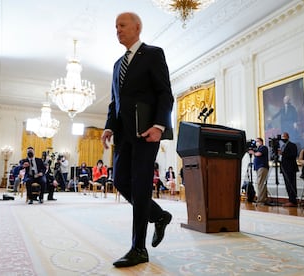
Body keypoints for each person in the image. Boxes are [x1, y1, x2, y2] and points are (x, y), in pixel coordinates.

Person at [101, 12, 174, 268]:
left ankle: (138, 249)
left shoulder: (153, 54)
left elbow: (165, 93)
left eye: (121, 25)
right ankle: (160, 215)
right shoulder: (116, 65)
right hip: (123, 135)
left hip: (146, 132)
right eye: (115, 26)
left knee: (141, 186)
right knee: (120, 180)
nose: (117, 30)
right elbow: (115, 103)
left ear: (137, 27)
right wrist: (109, 127)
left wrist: (158, 126)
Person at [278, 132, 299, 207]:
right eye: (282, 136)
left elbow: (293, 155)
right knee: (287, 185)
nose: (283, 138)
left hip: (291, 168)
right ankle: (290, 200)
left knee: (291, 184)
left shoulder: (292, 145)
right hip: (284, 168)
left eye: (284, 136)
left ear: (288, 137)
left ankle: (293, 201)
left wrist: (283, 153)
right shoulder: (282, 146)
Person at [248, 138, 270, 205]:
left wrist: (253, 152)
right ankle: (264, 199)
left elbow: (259, 154)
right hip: (258, 167)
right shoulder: (258, 148)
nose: (256, 142)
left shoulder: (263, 147)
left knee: (260, 183)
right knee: (261, 183)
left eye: (257, 141)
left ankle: (260, 201)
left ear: (261, 141)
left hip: (262, 167)